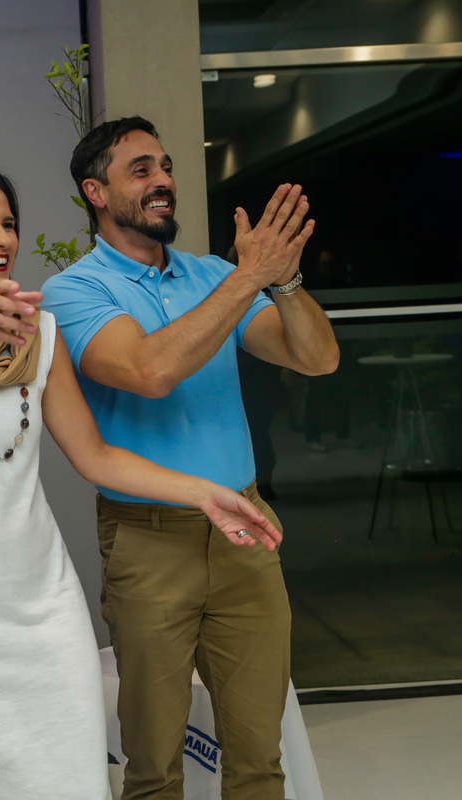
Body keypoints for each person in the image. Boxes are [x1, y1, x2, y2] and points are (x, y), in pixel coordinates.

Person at [0, 162, 283, 800]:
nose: (2, 238)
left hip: (42, 604)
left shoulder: (40, 334)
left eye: (9, 224)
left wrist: (203, 492)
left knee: (69, 780)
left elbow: (96, 455)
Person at [42, 117, 340, 800]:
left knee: (260, 761)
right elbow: (148, 371)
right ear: (95, 191)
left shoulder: (211, 276)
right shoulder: (74, 291)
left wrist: (283, 282)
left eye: (166, 166)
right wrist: (247, 279)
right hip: (149, 544)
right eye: (141, 169)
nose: (163, 180)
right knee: (153, 767)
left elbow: (317, 358)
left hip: (246, 536)